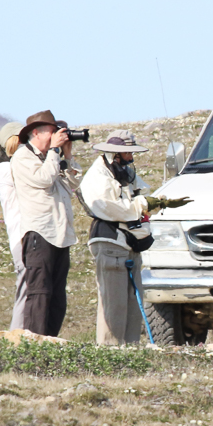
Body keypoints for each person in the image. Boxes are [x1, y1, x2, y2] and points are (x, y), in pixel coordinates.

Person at [79, 130, 192, 345]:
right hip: (111, 241)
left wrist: (160, 202)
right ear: (115, 154)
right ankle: (110, 353)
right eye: (128, 152)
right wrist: (144, 204)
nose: (131, 157)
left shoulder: (124, 171)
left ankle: (131, 351)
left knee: (133, 301)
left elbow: (142, 193)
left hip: (130, 242)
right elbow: (110, 209)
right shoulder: (97, 177)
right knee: (114, 303)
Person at [11, 110, 82, 337]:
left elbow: (74, 184)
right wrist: (53, 151)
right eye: (51, 131)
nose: (55, 136)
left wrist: (68, 156)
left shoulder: (51, 158)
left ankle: (50, 341)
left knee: (57, 296)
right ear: (35, 132)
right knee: (39, 292)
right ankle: (34, 343)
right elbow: (43, 179)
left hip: (60, 234)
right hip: (39, 234)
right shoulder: (22, 158)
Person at [0, 121, 26, 330]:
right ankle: (18, 334)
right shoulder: (6, 168)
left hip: (26, 234)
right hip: (21, 236)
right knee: (27, 288)